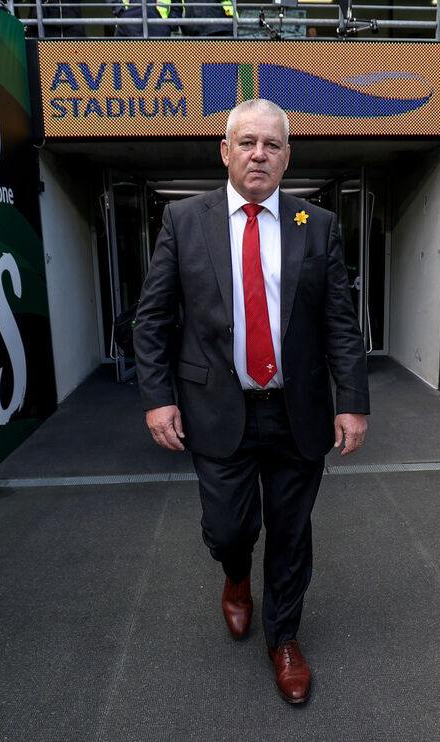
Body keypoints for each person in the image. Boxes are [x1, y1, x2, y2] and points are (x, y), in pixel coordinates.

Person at [133, 98, 369, 704]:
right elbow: (152, 318)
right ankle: (235, 575)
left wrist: (353, 401)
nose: (259, 154)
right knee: (230, 529)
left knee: (291, 532)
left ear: (288, 157)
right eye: (247, 143)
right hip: (216, 409)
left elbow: (340, 321)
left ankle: (283, 638)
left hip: (298, 410)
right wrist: (158, 399)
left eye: (272, 144)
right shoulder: (185, 221)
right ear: (225, 151)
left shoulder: (315, 226)